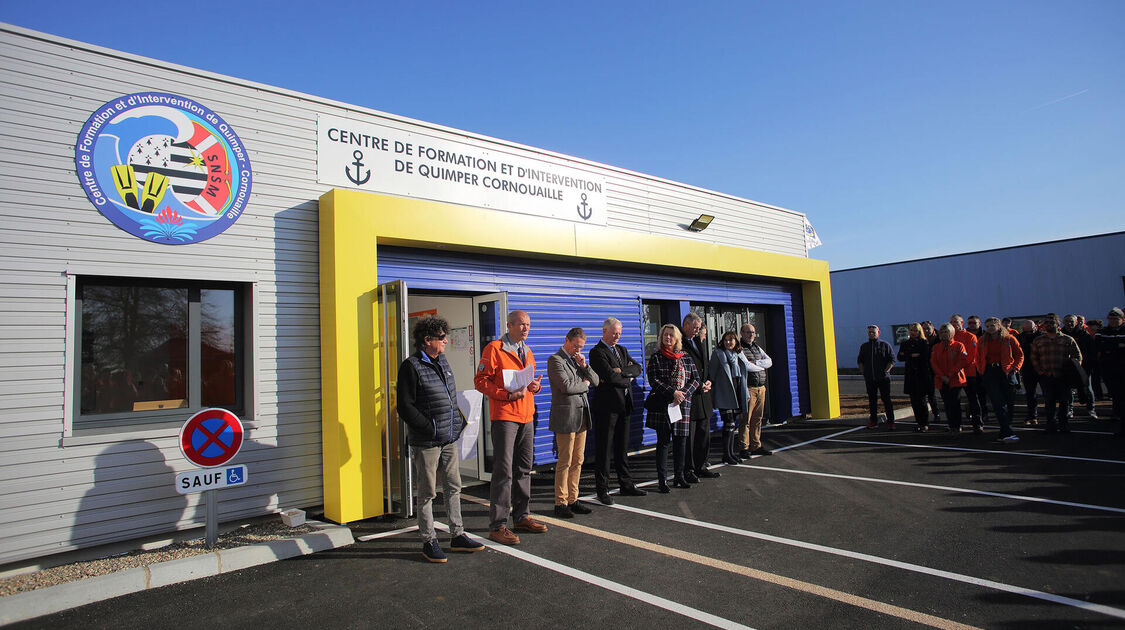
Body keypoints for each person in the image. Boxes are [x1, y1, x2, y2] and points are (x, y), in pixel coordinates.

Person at [397, 316, 484, 563]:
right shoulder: (411, 366)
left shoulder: (442, 361)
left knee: (454, 486)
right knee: (427, 493)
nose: (446, 341)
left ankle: (457, 535)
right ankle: (429, 540)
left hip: (448, 438)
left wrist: (456, 424)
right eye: (442, 338)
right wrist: (430, 428)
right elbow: (405, 407)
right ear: (427, 340)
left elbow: (448, 398)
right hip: (427, 441)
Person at [474, 310, 547, 545]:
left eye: (528, 324)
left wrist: (534, 386)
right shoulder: (494, 349)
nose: (525, 328)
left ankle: (522, 516)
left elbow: (527, 381)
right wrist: (505, 394)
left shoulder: (527, 350)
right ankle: (498, 525)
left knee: (524, 469)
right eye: (521, 325)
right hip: (505, 415)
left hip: (526, 416)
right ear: (509, 325)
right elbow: (480, 381)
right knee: (503, 472)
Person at [588, 317, 646, 505]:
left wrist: (624, 373)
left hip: (625, 405)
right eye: (614, 333)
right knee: (604, 449)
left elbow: (637, 368)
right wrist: (624, 376)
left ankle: (626, 483)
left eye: (619, 333)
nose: (617, 336)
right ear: (604, 331)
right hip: (607, 408)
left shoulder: (622, 350)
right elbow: (609, 376)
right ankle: (602, 489)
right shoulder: (597, 352)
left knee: (622, 447)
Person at [547, 327, 599, 518]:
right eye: (576, 346)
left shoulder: (577, 360)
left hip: (582, 417)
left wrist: (584, 365)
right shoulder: (555, 360)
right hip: (566, 417)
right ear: (566, 340)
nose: (578, 350)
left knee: (578, 460)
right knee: (565, 461)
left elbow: (596, 381)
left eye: (581, 347)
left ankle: (573, 499)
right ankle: (560, 502)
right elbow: (566, 387)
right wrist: (584, 385)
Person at [644, 324, 700, 492]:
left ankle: (679, 476)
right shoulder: (656, 357)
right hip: (663, 405)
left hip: (682, 405)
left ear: (677, 339)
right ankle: (662, 481)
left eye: (671, 335)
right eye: (665, 335)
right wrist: (673, 392)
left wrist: (682, 394)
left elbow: (696, 379)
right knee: (663, 443)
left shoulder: (686, 357)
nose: (668, 338)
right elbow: (654, 380)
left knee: (681, 442)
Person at [1030, 315, 1082, 434]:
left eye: (1052, 323)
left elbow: (1077, 356)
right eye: (1047, 323)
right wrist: (1040, 371)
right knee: (1049, 401)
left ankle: (1063, 424)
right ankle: (1050, 424)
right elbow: (1034, 357)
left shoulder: (1067, 339)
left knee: (1064, 401)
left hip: (1063, 376)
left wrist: (1072, 370)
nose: (1049, 325)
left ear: (1058, 325)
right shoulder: (1039, 340)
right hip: (1047, 375)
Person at [681, 313, 718, 481]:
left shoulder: (697, 341)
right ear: (686, 325)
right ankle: (688, 470)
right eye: (695, 327)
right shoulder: (680, 343)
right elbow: (681, 370)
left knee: (704, 434)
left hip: (703, 397)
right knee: (690, 436)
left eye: (699, 328)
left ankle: (701, 465)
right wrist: (696, 385)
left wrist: (709, 380)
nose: (697, 330)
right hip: (690, 397)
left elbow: (705, 365)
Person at [976, 317, 1024, 443]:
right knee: (998, 403)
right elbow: (978, 357)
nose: (990, 328)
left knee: (1009, 403)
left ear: (998, 326)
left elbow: (1019, 355)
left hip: (1006, 372)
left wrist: (1015, 368)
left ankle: (1005, 431)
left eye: (992, 325)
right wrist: (982, 370)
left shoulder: (1009, 338)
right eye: (988, 326)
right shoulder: (982, 340)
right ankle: (1007, 432)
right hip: (990, 372)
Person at [709, 331, 753, 464]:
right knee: (729, 424)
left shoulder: (738, 355)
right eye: (726, 340)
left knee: (733, 425)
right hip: (724, 394)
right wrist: (713, 396)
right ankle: (726, 454)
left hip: (737, 393)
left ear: (736, 342)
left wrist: (745, 394)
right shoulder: (718, 354)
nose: (728, 342)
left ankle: (731, 453)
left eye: (731, 340)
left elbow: (743, 377)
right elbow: (712, 374)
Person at [738, 323, 773, 457]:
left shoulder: (757, 347)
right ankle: (744, 447)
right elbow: (747, 366)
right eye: (748, 332)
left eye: (752, 332)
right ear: (741, 333)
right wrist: (760, 365)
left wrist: (757, 364)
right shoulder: (739, 348)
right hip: (749, 388)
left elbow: (769, 361)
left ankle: (756, 445)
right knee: (746, 419)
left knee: (757, 419)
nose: (751, 335)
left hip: (761, 388)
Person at [930, 323, 969, 433]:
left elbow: (962, 361)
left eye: (946, 332)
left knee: (955, 402)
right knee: (947, 403)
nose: (943, 334)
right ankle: (951, 424)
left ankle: (957, 425)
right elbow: (933, 362)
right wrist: (942, 376)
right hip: (942, 380)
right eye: (941, 332)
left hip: (955, 379)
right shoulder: (936, 347)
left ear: (951, 333)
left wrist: (950, 375)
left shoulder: (958, 345)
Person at [951, 315, 984, 432]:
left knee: (973, 399)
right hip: (955, 375)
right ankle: (956, 424)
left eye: (956, 322)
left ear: (962, 322)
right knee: (955, 400)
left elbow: (970, 357)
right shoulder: (950, 337)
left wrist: (957, 367)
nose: (954, 324)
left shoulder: (970, 337)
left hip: (969, 374)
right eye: (952, 322)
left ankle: (977, 423)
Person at [857, 325, 895, 429]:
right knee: (872, 400)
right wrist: (863, 372)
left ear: (878, 332)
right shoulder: (864, 346)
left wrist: (886, 371)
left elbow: (892, 359)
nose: (871, 334)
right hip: (870, 379)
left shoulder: (884, 345)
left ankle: (891, 422)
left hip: (883, 379)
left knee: (886, 400)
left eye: (873, 332)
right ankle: (873, 421)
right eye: (869, 332)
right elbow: (860, 360)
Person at [897, 323, 933, 432]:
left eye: (915, 330)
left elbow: (924, 356)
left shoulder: (923, 342)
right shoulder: (905, 343)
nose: (913, 332)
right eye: (911, 330)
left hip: (921, 374)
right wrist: (911, 355)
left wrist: (909, 354)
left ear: (919, 331)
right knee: (914, 401)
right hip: (910, 374)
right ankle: (918, 422)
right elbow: (900, 356)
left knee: (922, 400)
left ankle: (924, 423)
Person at [1063, 314, 1098, 420]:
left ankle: (1091, 409)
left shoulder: (1084, 335)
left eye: (1071, 321)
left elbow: (1092, 351)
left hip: (1083, 366)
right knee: (1068, 390)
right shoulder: (1061, 335)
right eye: (1067, 321)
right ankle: (1069, 409)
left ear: (1076, 322)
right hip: (1067, 367)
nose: (1069, 323)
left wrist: (1089, 365)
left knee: (1087, 388)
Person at [1096, 308, 1125, 431]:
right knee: (1116, 395)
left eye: (1116, 319)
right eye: (1111, 318)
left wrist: (1111, 349)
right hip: (1109, 368)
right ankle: (1119, 418)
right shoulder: (1102, 332)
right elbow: (1098, 347)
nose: (1113, 321)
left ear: (1122, 320)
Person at [1016, 320, 1043, 425]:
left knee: (1048, 393)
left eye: (1030, 331)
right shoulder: (1020, 337)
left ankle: (1051, 416)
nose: (1028, 333)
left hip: (1043, 367)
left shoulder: (1042, 337)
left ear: (1035, 327)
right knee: (1030, 394)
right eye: (1025, 331)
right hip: (1027, 368)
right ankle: (1032, 416)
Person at [921, 321, 942, 424]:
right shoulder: (921, 341)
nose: (926, 331)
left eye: (927, 328)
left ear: (932, 328)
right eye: (923, 329)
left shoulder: (939, 339)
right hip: (927, 370)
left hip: (940, 369)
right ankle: (936, 413)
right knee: (930, 394)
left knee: (945, 392)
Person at [1087, 319, 1106, 401]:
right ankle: (1098, 395)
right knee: (1095, 379)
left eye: (1093, 329)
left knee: (1105, 378)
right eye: (1090, 329)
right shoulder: (1087, 337)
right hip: (1093, 360)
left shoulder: (1102, 336)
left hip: (1103, 360)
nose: (1091, 331)